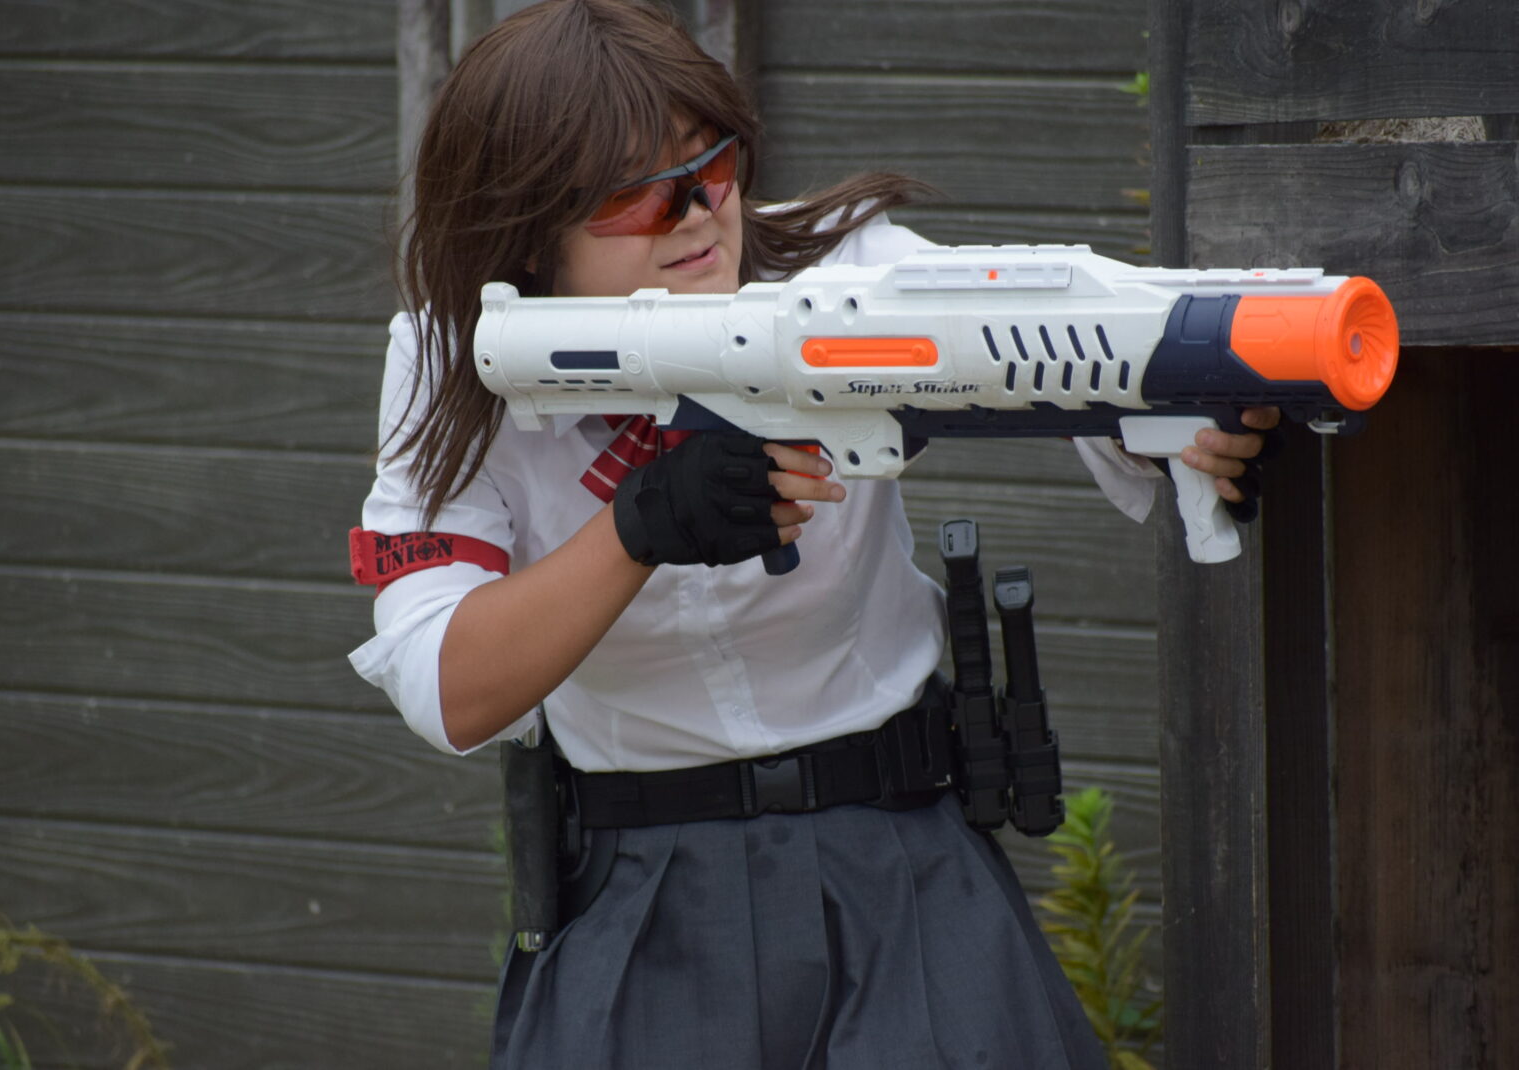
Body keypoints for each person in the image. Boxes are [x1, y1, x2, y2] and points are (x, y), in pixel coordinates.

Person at [348, 2, 1277, 1066]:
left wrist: (1184, 420)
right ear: (525, 232)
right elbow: (447, 686)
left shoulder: (847, 271)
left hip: (898, 856)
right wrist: (640, 528)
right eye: (634, 195)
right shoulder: (451, 357)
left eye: (712, 164)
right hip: (640, 888)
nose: (698, 211)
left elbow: (1053, 347)